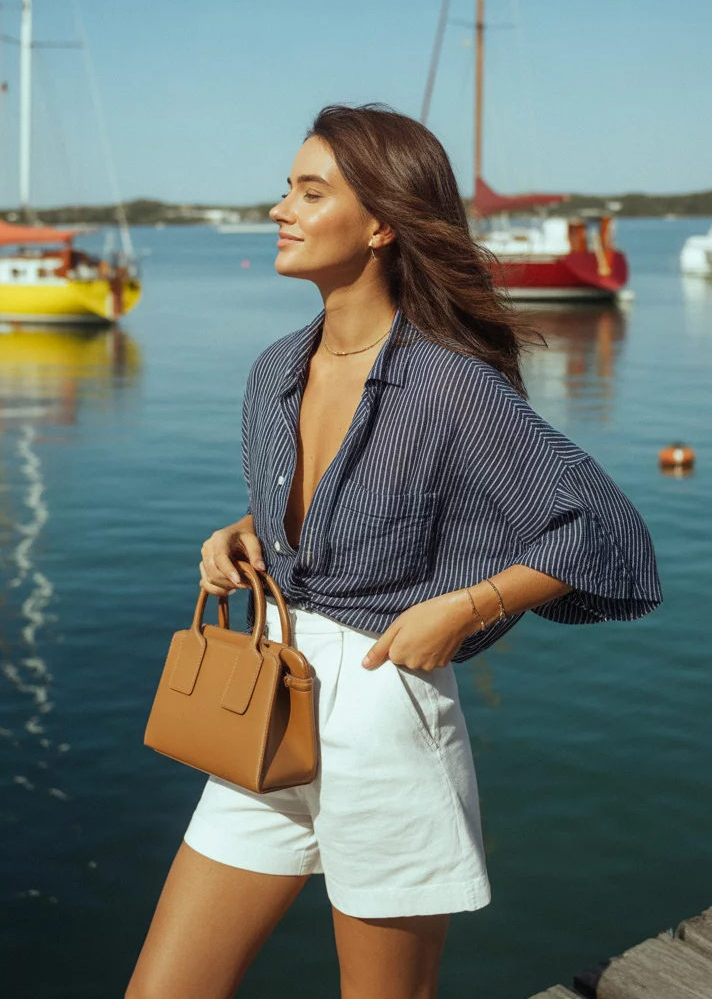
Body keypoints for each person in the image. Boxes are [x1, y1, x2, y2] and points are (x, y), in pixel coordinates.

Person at [127, 104, 661, 999]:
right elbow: (336, 504)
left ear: (380, 225)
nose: (280, 209)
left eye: (310, 192)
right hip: (264, 697)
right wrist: (246, 532)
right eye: (287, 189)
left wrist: (467, 607)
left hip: (384, 706)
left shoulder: (450, 384)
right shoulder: (274, 370)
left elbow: (601, 528)